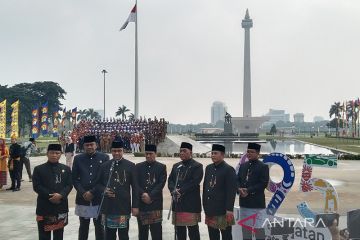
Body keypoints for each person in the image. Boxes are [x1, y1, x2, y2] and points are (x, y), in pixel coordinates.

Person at [96, 140, 139, 240]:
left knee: (123, 235)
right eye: (114, 151)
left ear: (123, 151)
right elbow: (97, 184)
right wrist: (104, 190)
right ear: (111, 151)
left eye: (119, 150)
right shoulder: (104, 166)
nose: (116, 153)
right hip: (108, 207)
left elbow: (135, 188)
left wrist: (135, 206)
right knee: (109, 236)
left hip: (123, 207)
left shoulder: (131, 166)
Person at [72, 135, 110, 240]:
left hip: (98, 198)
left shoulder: (104, 158)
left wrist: (93, 192)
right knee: (83, 226)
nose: (89, 147)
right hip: (82, 198)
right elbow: (74, 179)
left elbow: (105, 179)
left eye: (91, 144)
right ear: (83, 146)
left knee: (99, 227)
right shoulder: (78, 158)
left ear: (96, 145)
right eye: (87, 145)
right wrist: (83, 192)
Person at [32, 144, 73, 240]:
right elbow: (37, 186)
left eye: (57, 153)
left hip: (60, 206)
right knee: (44, 235)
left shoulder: (66, 169)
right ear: (47, 154)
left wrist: (61, 195)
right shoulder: (38, 169)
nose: (54, 155)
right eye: (51, 153)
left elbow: (69, 185)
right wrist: (51, 196)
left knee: (59, 235)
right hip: (44, 206)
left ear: (61, 154)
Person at [168, 142, 203, 240]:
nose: (182, 153)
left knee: (193, 231)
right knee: (179, 231)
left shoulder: (197, 166)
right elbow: (170, 180)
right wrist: (173, 190)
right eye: (180, 151)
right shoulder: (176, 166)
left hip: (190, 204)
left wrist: (180, 191)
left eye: (184, 151)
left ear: (190, 152)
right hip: (178, 204)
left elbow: (195, 182)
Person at [203, 144, 237, 240]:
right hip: (210, 209)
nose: (213, 155)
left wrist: (229, 210)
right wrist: (205, 205)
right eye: (212, 153)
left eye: (215, 153)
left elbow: (231, 191)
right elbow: (206, 187)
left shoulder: (229, 170)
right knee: (213, 235)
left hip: (223, 210)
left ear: (222, 155)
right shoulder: (208, 168)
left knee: (226, 235)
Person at [237, 143, 269, 240]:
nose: (249, 153)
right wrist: (239, 189)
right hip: (244, 203)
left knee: (259, 231)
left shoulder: (263, 166)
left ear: (258, 153)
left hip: (257, 204)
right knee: (246, 230)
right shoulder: (243, 166)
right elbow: (237, 179)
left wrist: (248, 190)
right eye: (248, 151)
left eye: (252, 152)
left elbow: (263, 183)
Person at [136, 144, 167, 240]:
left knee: (156, 231)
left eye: (150, 153)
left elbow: (161, 184)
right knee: (142, 231)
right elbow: (136, 184)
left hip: (155, 204)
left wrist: (150, 196)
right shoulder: (138, 166)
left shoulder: (161, 167)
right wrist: (143, 194)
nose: (148, 156)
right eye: (146, 154)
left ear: (155, 154)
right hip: (142, 203)